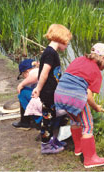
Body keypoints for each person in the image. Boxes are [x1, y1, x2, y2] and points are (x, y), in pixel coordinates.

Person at [54, 43, 104, 168]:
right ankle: (90, 159)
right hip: (75, 97)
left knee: (75, 120)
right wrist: (95, 107)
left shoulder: (79, 59)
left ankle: (79, 149)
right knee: (88, 126)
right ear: (103, 58)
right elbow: (88, 95)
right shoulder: (96, 72)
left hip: (59, 94)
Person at [32, 24, 72, 154]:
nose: (67, 46)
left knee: (56, 116)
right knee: (48, 119)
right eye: (67, 43)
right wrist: (38, 88)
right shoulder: (50, 53)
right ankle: (46, 146)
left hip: (54, 93)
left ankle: (54, 140)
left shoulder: (52, 52)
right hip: (48, 93)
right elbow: (44, 72)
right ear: (61, 39)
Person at [12, 59, 39, 130]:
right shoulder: (44, 69)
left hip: (46, 103)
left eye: (23, 75)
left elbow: (35, 75)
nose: (24, 77)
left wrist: (21, 84)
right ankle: (31, 118)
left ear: (26, 71)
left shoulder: (34, 73)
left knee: (22, 92)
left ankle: (25, 122)